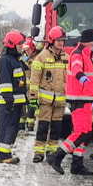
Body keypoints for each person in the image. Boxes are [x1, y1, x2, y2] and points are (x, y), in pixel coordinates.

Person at [52, 28, 93, 175]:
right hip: (79, 98)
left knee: (85, 132)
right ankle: (57, 156)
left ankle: (77, 164)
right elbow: (76, 67)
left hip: (85, 98)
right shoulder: (79, 54)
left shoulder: (86, 53)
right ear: (90, 42)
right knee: (82, 132)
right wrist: (80, 76)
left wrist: (92, 98)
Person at [29, 26, 68, 163]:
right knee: (42, 127)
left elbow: (68, 79)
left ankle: (52, 151)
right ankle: (39, 152)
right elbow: (34, 80)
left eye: (63, 40)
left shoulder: (66, 57)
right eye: (58, 40)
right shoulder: (41, 57)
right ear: (52, 41)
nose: (61, 43)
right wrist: (33, 98)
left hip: (60, 102)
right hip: (45, 102)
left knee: (56, 128)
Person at [0, 31, 28, 164]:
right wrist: (9, 101)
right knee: (6, 128)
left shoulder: (15, 60)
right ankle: (3, 156)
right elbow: (5, 83)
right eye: (20, 44)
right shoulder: (5, 61)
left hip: (16, 103)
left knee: (12, 128)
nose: (22, 46)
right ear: (12, 45)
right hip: (9, 103)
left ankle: (7, 152)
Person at [20, 38, 38, 132]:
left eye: (29, 49)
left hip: (33, 87)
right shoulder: (23, 59)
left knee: (32, 106)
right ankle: (21, 125)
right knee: (22, 105)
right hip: (23, 86)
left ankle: (30, 125)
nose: (27, 52)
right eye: (25, 50)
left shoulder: (37, 59)